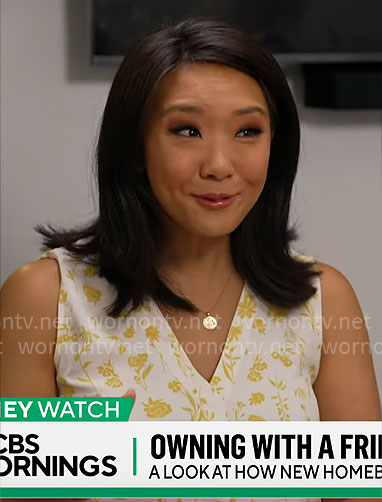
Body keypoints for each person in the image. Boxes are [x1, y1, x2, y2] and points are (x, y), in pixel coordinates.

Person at [0, 17, 380, 502]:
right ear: (136, 147)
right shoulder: (45, 299)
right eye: (187, 130)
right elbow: (34, 494)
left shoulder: (324, 300)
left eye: (248, 131)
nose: (220, 165)